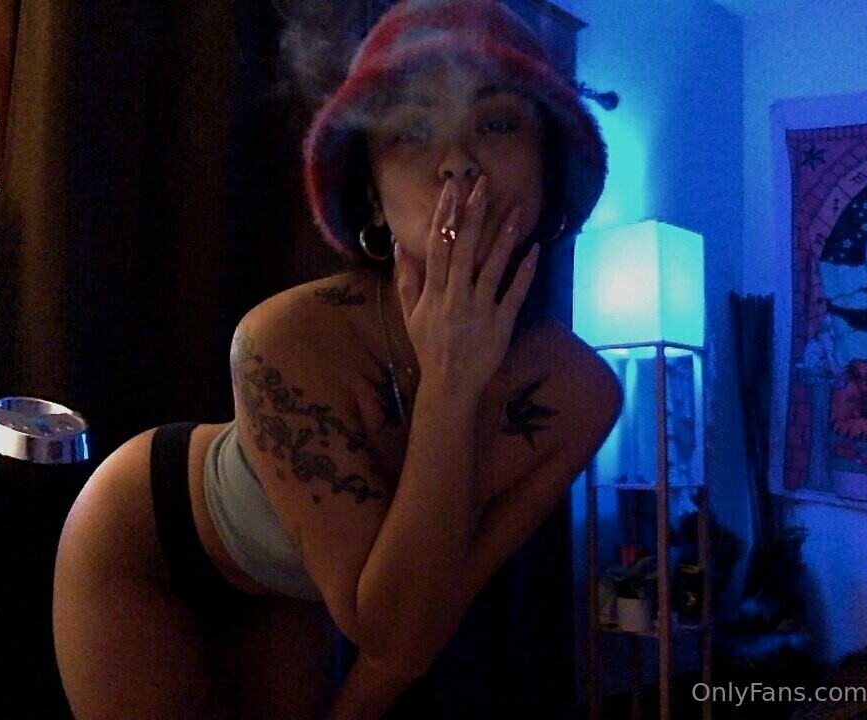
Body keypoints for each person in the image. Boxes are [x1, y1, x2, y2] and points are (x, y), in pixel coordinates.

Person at [52, 1, 621, 718]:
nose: (457, 162)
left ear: (550, 168)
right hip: (149, 542)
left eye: (499, 123)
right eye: (413, 131)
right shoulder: (283, 338)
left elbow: (411, 629)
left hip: (297, 592)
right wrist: (450, 385)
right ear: (373, 199)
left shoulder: (581, 395)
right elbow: (390, 627)